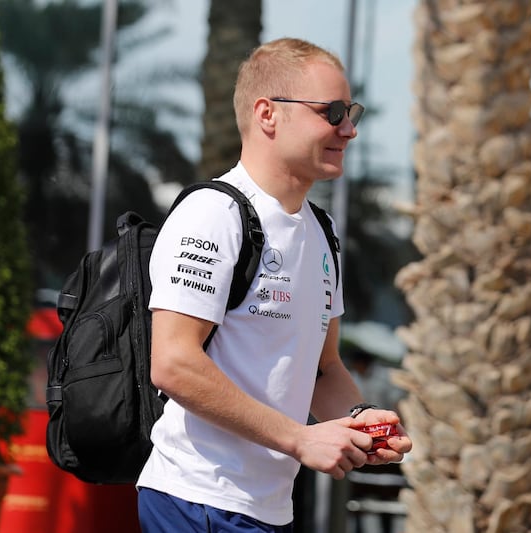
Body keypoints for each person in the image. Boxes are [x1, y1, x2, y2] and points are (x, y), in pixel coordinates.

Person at [136, 37, 412, 532]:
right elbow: (174, 363)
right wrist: (301, 439)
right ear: (267, 114)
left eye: (351, 112)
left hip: (269, 508)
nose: (348, 129)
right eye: (331, 112)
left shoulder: (321, 232)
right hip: (197, 501)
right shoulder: (212, 214)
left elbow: (324, 371)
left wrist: (363, 421)